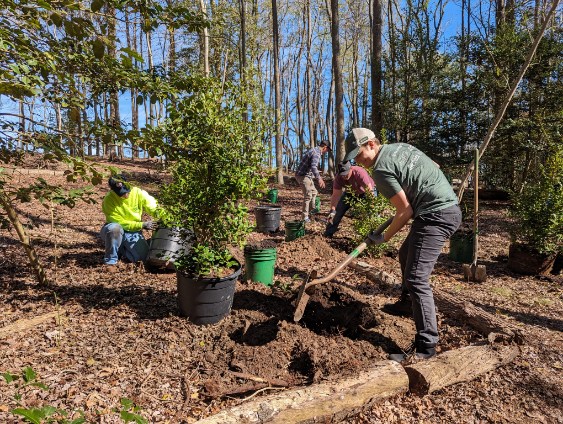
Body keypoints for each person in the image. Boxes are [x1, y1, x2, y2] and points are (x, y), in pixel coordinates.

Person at [344, 128, 461, 362]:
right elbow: (435, 166)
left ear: (371, 144)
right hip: (444, 208)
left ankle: (426, 347)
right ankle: (408, 304)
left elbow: (405, 211)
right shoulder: (402, 148)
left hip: (435, 215)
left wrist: (383, 237)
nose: (358, 161)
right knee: (405, 254)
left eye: (359, 154)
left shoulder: (380, 170)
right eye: (354, 157)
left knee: (417, 277)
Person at [100, 175, 159, 271]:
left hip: (133, 231)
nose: (125, 195)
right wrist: (142, 225)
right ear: (113, 190)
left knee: (144, 260)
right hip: (116, 229)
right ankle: (111, 262)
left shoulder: (138, 193)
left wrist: (165, 216)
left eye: (126, 191)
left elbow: (153, 206)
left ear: (128, 184)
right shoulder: (108, 199)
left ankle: (122, 249)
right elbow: (118, 222)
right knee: (114, 229)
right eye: (121, 193)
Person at [324, 160, 376, 238]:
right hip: (351, 192)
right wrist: (332, 210)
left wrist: (372, 204)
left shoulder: (359, 173)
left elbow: (370, 191)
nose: (344, 176)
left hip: (366, 192)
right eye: (342, 175)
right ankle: (328, 234)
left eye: (346, 174)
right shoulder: (338, 178)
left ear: (351, 168)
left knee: (371, 213)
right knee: (338, 210)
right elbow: (335, 195)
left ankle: (373, 235)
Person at [295, 140, 332, 222]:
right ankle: (304, 218)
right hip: (302, 175)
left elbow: (311, 166)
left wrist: (316, 173)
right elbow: (313, 166)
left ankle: (311, 212)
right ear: (325, 147)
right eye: (327, 150)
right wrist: (319, 178)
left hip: (307, 176)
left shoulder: (314, 150)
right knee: (308, 195)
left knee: (314, 192)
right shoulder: (317, 153)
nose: (327, 152)